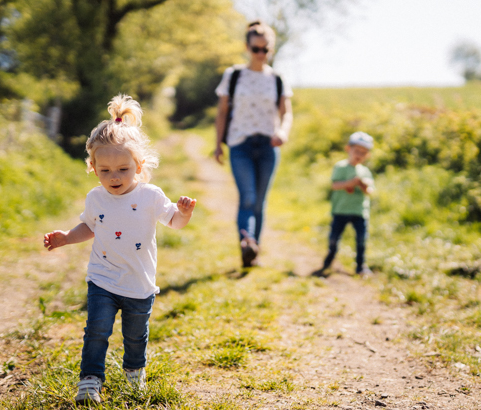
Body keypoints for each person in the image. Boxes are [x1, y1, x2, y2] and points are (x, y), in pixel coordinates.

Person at [42, 95, 197, 405]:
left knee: (135, 337)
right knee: (96, 330)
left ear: (138, 166)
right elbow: (89, 226)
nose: (114, 177)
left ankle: (133, 376)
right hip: (102, 278)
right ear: (93, 167)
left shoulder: (151, 196)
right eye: (105, 171)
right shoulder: (96, 198)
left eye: (123, 169)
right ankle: (90, 381)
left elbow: (174, 222)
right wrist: (65, 238)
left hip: (139, 283)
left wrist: (184, 214)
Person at [213, 20, 293, 268]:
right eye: (256, 49)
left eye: (265, 49)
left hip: (269, 146)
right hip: (240, 144)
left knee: (260, 201)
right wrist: (218, 144)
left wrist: (282, 131)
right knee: (247, 198)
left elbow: (286, 113)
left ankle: (252, 251)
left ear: (271, 50)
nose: (261, 54)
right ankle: (247, 242)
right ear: (247, 47)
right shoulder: (234, 75)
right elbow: (222, 112)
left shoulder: (277, 79)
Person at [316, 131, 375, 277]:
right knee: (334, 239)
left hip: (359, 211)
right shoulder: (341, 166)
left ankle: (360, 266)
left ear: (367, 155)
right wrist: (350, 183)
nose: (359, 155)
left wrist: (363, 185)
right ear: (348, 149)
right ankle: (329, 260)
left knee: (361, 239)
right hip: (340, 210)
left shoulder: (365, 171)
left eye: (363, 152)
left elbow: (370, 191)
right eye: (357, 151)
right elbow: (334, 185)